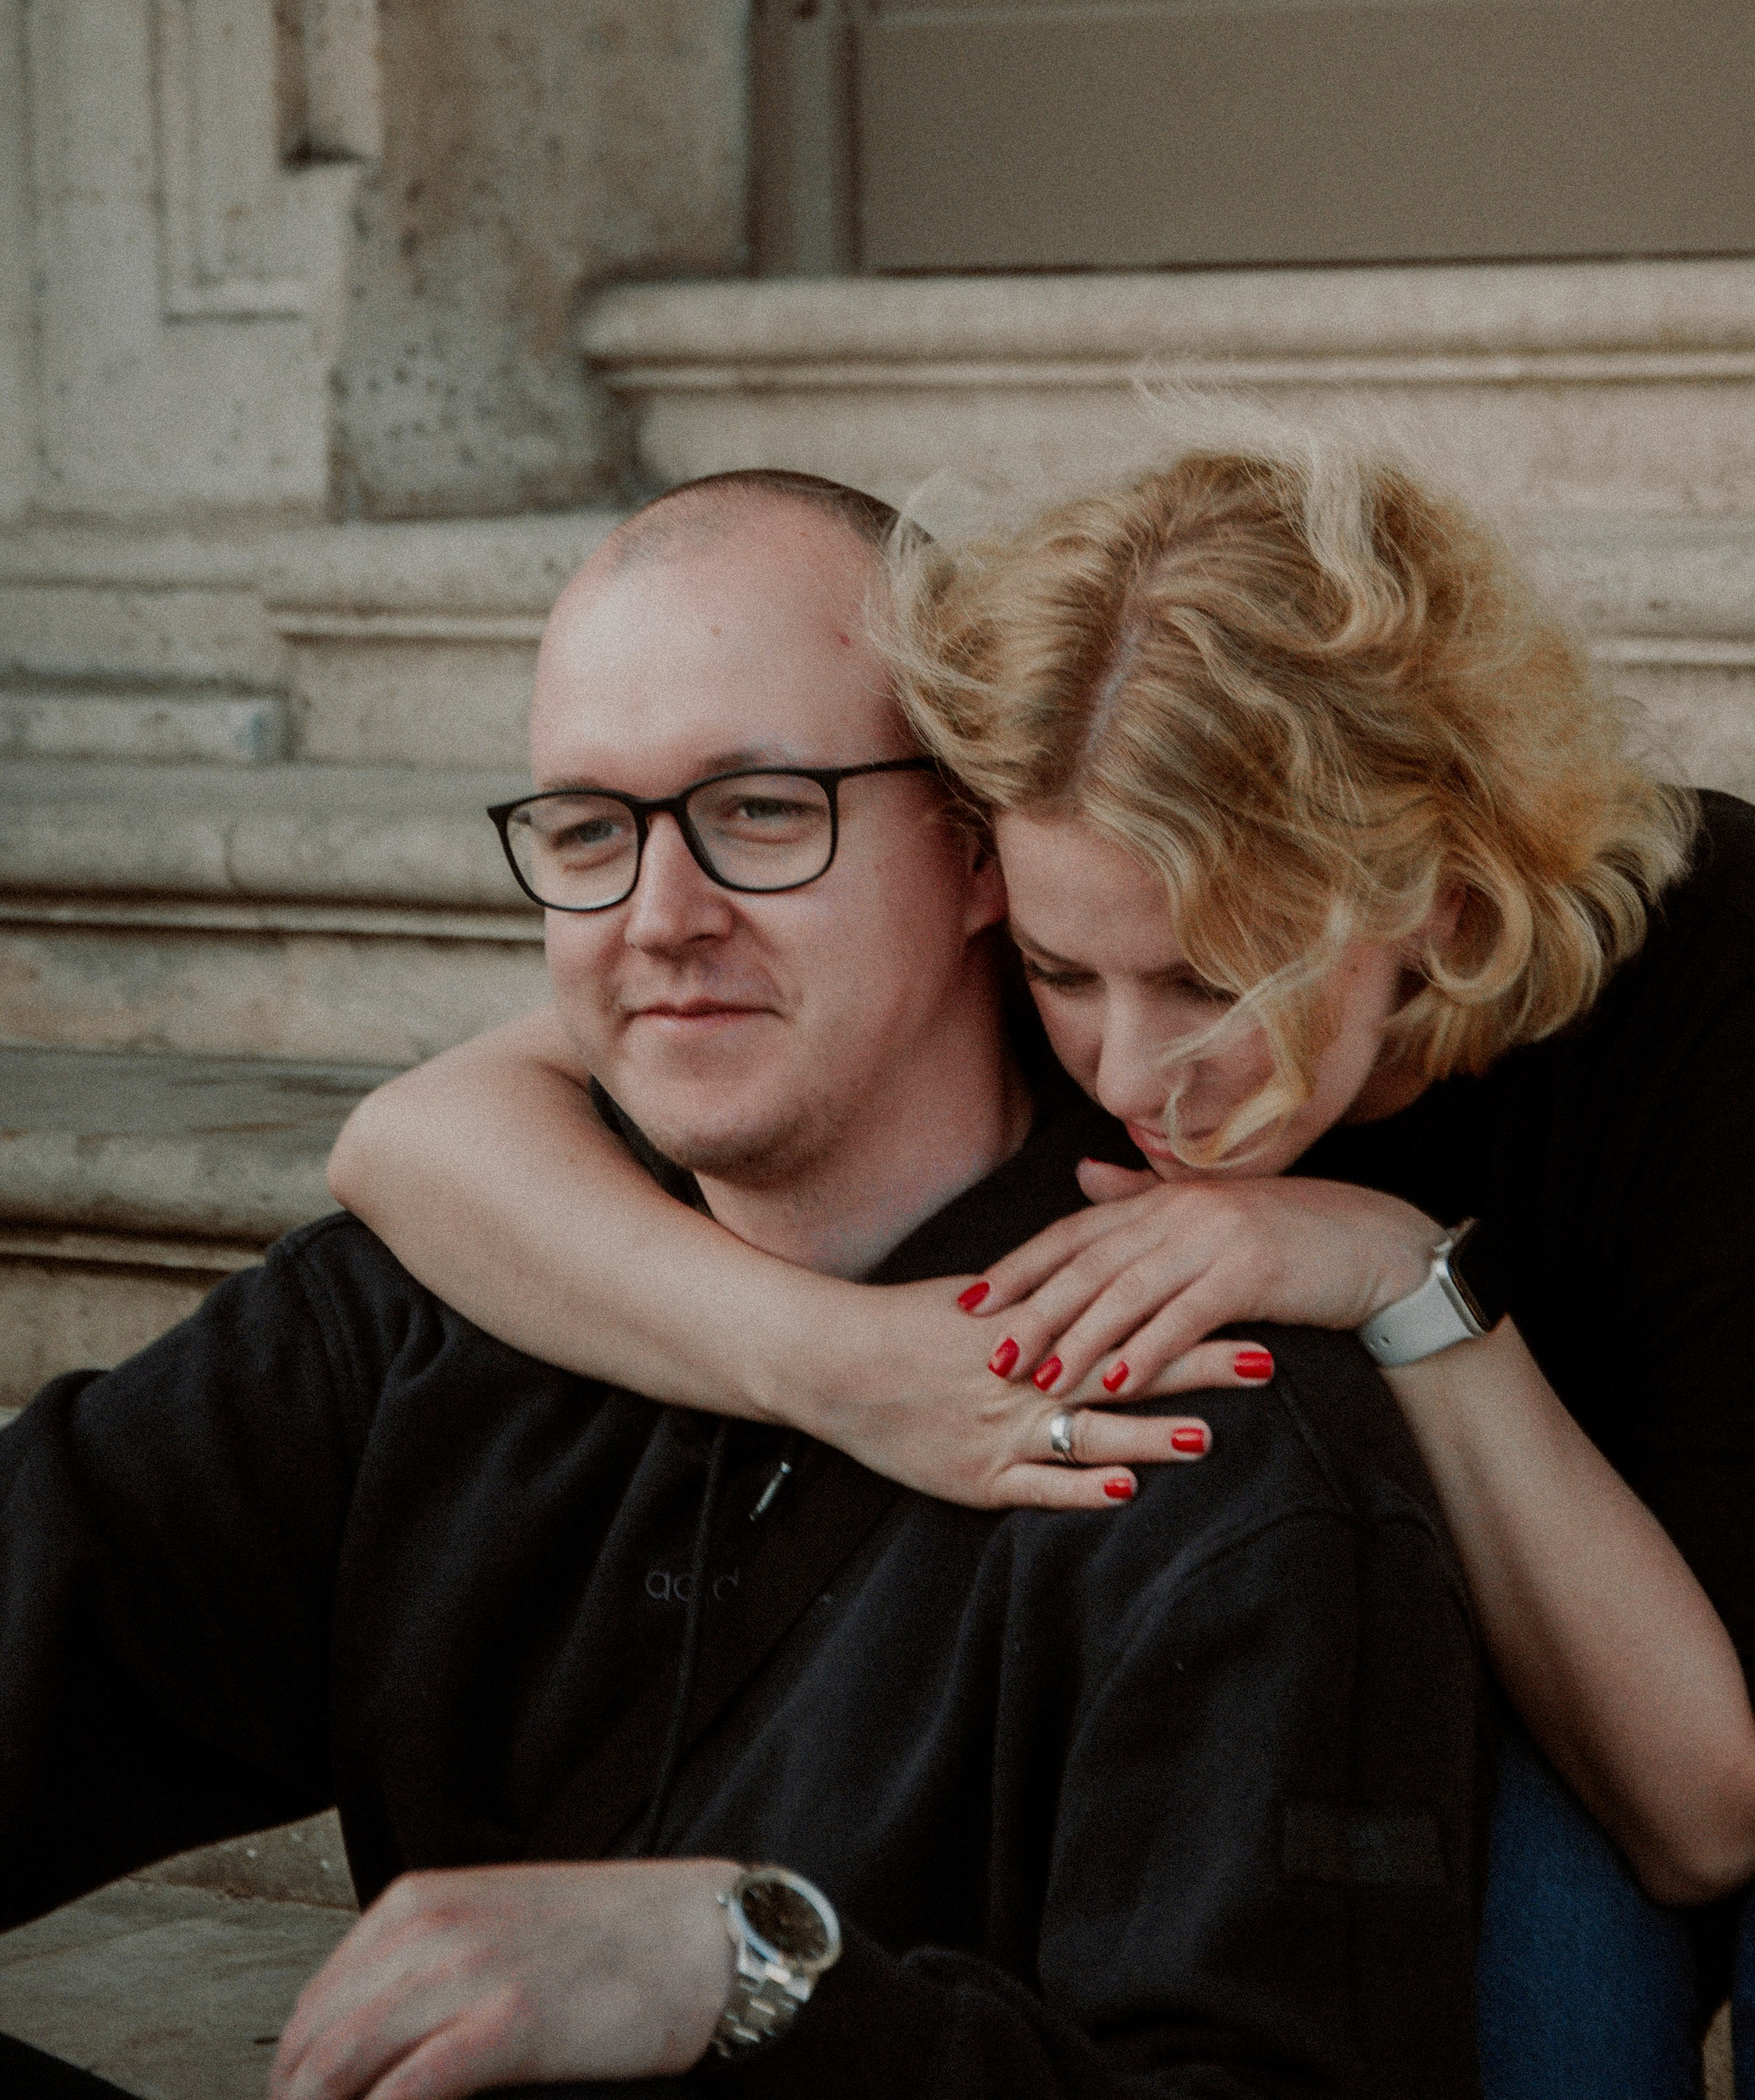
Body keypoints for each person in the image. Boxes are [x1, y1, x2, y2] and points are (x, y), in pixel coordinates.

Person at [333, 444, 1755, 2100]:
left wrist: (1387, 1271)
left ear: (1425, 891)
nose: (1135, 1071)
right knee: (1518, 2034)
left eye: (1217, 975)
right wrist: (834, 1359)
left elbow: (1707, 1802)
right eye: (1066, 970)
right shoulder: (1101, 889)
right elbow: (414, 1140)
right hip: (1524, 1596)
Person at [0, 468, 1489, 2100]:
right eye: (585, 827)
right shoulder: (408, 1323)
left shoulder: (1214, 1440)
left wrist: (753, 1971)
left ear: (981, 846)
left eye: (762, 810)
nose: (658, 916)